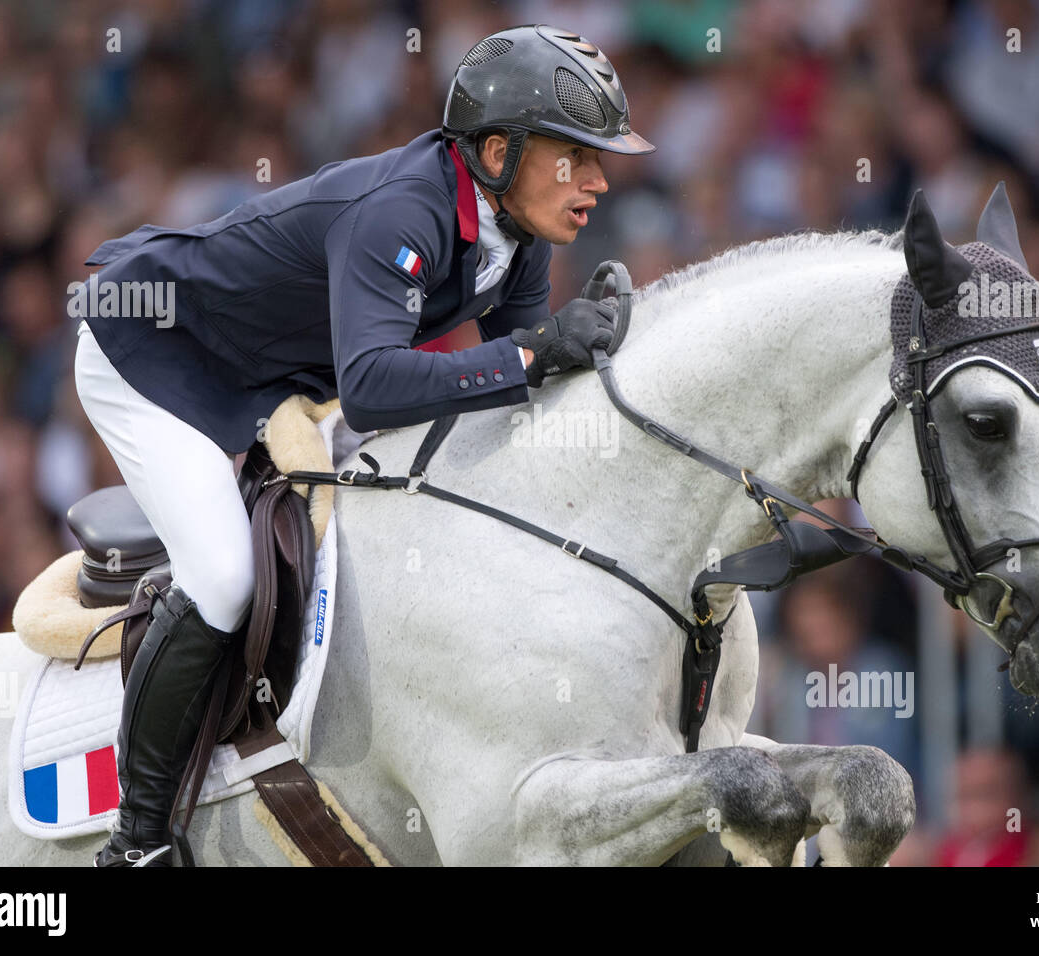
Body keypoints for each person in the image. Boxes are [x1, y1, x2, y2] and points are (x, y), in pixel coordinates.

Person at [73, 24, 655, 866]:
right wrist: (537, 353)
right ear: (497, 152)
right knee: (224, 577)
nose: (599, 181)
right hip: (151, 353)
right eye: (577, 158)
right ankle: (136, 843)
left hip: (264, 381)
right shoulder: (402, 211)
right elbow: (380, 385)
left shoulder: (516, 233)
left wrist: (590, 361)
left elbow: (520, 379)